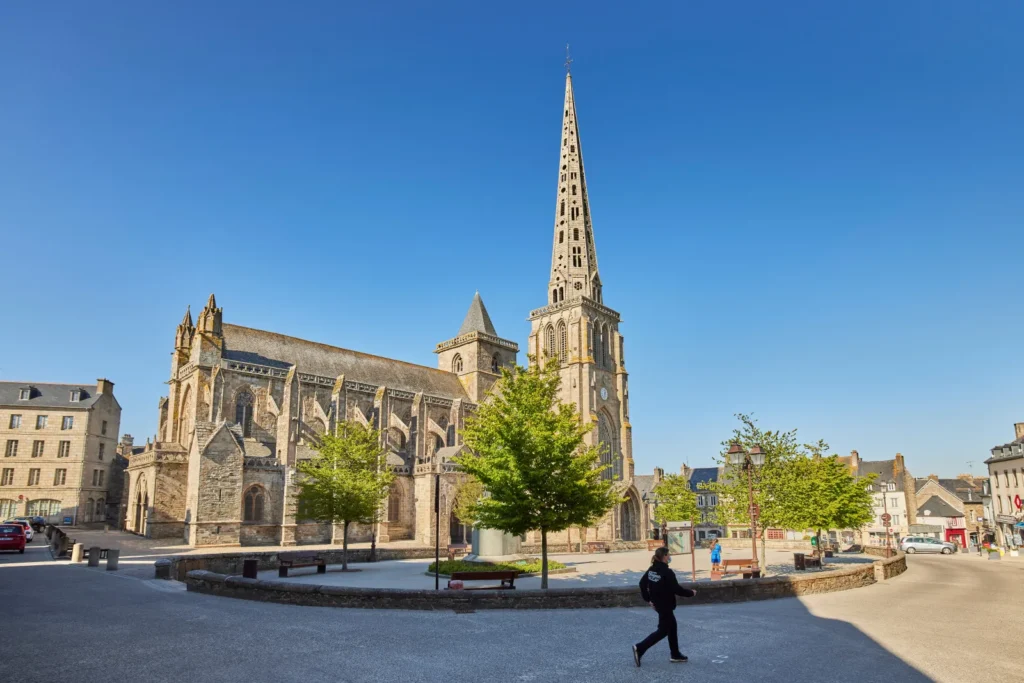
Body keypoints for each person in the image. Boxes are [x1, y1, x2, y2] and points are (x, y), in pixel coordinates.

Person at [633, 546, 697, 667]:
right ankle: (640, 648)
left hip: (658, 604)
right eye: (668, 555)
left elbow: (642, 583)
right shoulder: (667, 572)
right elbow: (677, 589)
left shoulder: (652, 569)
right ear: (664, 557)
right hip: (665, 605)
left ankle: (675, 654)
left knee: (672, 627)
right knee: (663, 631)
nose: (670, 557)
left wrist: (649, 599)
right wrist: (691, 593)